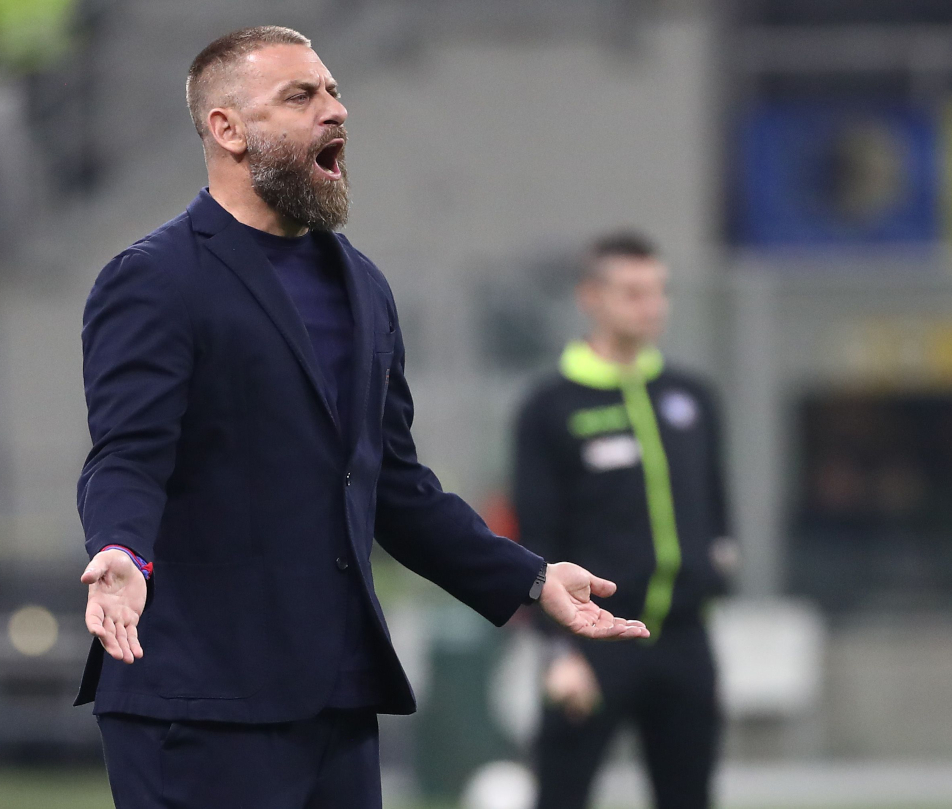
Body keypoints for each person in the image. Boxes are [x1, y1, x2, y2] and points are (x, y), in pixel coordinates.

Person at [75, 26, 648, 809]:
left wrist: (532, 578)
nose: (335, 110)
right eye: (300, 96)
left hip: (336, 699)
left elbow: (397, 489)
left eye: (334, 91)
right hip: (201, 701)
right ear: (228, 129)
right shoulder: (156, 279)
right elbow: (129, 454)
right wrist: (119, 549)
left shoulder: (364, 288)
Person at [512, 232, 737, 809]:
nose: (651, 305)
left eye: (659, 291)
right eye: (633, 292)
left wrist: (719, 566)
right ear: (592, 296)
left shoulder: (691, 397)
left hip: (685, 641)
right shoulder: (551, 407)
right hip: (593, 640)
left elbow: (716, 508)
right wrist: (556, 653)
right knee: (561, 794)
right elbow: (533, 538)